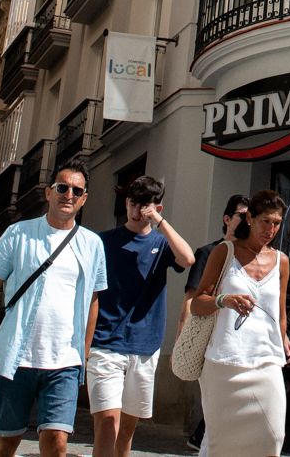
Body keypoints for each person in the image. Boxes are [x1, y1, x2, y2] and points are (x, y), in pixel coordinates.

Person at [0, 162, 108, 457]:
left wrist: (83, 353)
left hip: (65, 361)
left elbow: (93, 301)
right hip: (16, 357)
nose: (68, 194)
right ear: (48, 193)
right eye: (62, 187)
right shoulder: (18, 234)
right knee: (7, 441)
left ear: (84, 198)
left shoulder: (93, 244)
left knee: (57, 442)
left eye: (77, 190)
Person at [88, 175, 196, 457]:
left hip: (145, 346)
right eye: (133, 204)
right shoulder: (104, 241)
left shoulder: (161, 245)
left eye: (145, 205)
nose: (137, 212)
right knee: (107, 423)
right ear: (126, 203)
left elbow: (187, 259)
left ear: (157, 208)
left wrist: (160, 223)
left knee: (126, 431)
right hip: (105, 344)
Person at [189, 189, 290, 457]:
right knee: (221, 445)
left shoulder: (282, 261)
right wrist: (223, 300)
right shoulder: (225, 252)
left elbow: (280, 312)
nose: (271, 229)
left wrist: (283, 338)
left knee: (272, 438)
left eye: (276, 223)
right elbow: (198, 301)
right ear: (250, 218)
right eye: (265, 221)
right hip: (225, 361)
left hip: (266, 360)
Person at [181, 194, 250, 450]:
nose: (247, 221)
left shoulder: (251, 257)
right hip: (211, 341)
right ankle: (203, 440)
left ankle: (203, 440)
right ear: (227, 219)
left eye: (249, 216)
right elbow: (191, 298)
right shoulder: (209, 252)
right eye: (242, 215)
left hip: (239, 343)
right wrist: (184, 338)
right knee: (219, 407)